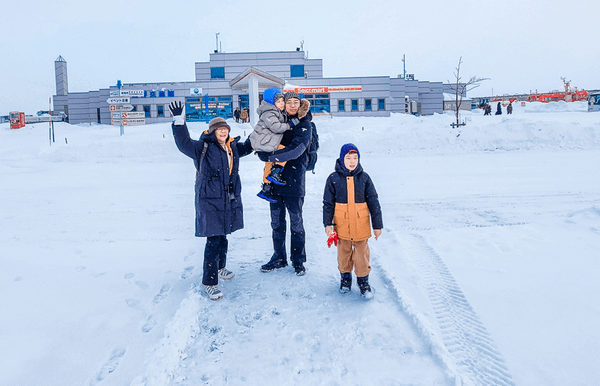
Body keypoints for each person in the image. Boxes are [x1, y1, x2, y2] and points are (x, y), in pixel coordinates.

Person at [169, 101, 253, 301]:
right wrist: (179, 121)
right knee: (214, 240)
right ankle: (210, 282)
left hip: (227, 198)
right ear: (213, 131)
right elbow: (183, 144)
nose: (223, 132)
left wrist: (260, 133)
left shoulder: (232, 146)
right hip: (209, 199)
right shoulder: (203, 147)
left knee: (223, 235)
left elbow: (248, 147)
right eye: (219, 129)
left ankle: (220, 267)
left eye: (225, 129)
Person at [259, 91, 312, 276]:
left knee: (296, 223)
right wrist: (260, 151)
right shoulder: (277, 123)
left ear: (300, 104)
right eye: (288, 102)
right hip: (275, 182)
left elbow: (297, 149)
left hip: (294, 182)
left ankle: (298, 261)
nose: (291, 105)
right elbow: (263, 141)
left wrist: (271, 156)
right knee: (276, 223)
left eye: (295, 102)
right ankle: (279, 257)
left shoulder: (305, 125)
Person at [323, 143, 383, 299]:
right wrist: (328, 223)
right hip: (341, 227)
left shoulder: (364, 178)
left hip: (361, 227)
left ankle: (363, 282)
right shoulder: (333, 179)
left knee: (362, 256)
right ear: (342, 158)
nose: (352, 161)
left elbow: (374, 202)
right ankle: (345, 279)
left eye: (355, 158)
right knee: (343, 255)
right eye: (348, 158)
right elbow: (328, 203)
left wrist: (377, 225)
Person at [250, 88, 297, 203]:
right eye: (279, 101)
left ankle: (266, 188)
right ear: (272, 103)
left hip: (267, 142)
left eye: (282, 101)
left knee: (269, 163)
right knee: (284, 151)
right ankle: (276, 171)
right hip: (265, 143)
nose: (282, 104)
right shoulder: (269, 113)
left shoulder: (275, 112)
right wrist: (289, 125)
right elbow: (276, 127)